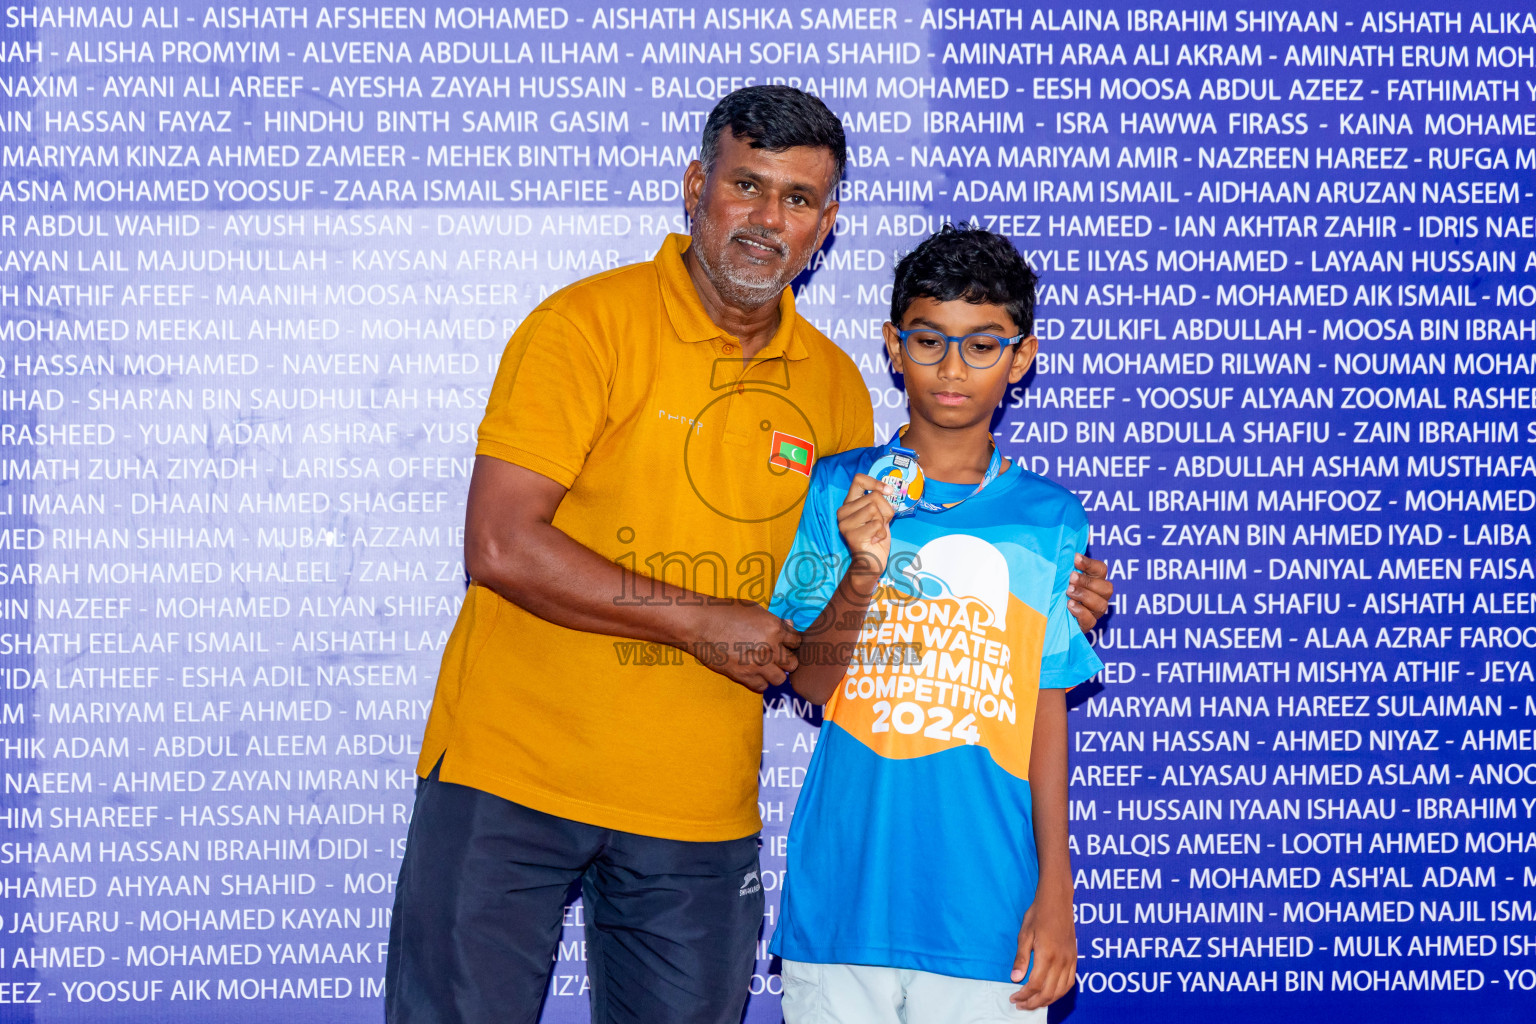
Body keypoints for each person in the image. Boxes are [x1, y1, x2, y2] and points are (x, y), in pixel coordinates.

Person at [385, 86, 1114, 1024]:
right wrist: (697, 620)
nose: (770, 220)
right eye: (748, 186)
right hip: (510, 778)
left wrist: (1046, 597)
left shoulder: (841, 393)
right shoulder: (585, 323)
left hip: (698, 816)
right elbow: (497, 542)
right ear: (696, 187)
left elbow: (897, 570)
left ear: (828, 223)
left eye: (800, 198)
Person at [767, 226, 1094, 1022]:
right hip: (844, 902)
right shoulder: (838, 489)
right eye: (929, 341)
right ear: (893, 344)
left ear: (1021, 358)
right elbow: (805, 678)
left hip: (987, 914)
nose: (952, 368)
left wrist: (1057, 892)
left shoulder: (1049, 520)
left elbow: (1044, 711)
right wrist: (864, 566)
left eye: (983, 345)